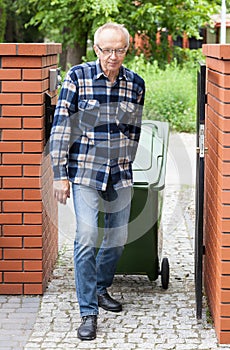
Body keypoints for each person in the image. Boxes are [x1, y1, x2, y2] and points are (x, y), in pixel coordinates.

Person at [50, 22, 145, 341]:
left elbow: (135, 128)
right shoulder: (78, 77)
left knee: (117, 238)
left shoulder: (135, 83)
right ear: (96, 49)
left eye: (119, 50)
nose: (112, 56)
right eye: (106, 50)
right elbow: (62, 126)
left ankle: (101, 287)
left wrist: (127, 159)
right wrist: (60, 175)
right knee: (88, 234)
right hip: (85, 170)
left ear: (127, 50)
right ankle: (88, 311)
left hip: (119, 172)